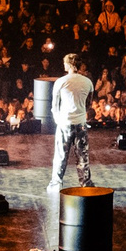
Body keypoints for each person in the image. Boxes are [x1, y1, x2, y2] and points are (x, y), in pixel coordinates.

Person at [48, 52, 94, 192]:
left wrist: (57, 119)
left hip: (64, 123)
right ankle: (85, 183)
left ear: (69, 64)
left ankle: (56, 184)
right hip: (81, 123)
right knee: (82, 155)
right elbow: (88, 104)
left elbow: (55, 105)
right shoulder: (88, 82)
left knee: (61, 155)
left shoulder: (61, 82)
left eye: (65, 63)